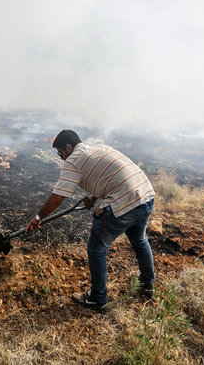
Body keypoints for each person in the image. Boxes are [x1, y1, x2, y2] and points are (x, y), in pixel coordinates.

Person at [26, 129, 156, 312]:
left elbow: (58, 197)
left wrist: (38, 217)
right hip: (145, 196)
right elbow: (109, 175)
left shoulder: (73, 161)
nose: (61, 157)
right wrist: (94, 198)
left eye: (60, 153)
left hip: (125, 202)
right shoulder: (99, 148)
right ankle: (147, 285)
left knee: (97, 247)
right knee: (140, 240)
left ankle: (98, 298)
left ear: (68, 147)